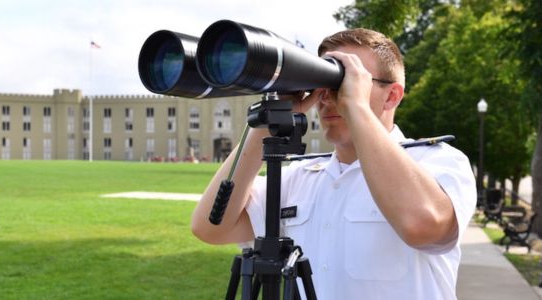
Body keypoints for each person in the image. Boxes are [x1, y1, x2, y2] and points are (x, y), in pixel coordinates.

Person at [191, 28, 477, 299]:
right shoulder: (299, 177)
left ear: (392, 96)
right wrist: (266, 123)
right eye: (322, 85)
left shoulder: (438, 161)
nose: (327, 98)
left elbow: (423, 226)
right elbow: (211, 227)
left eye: (342, 83)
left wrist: (356, 107)